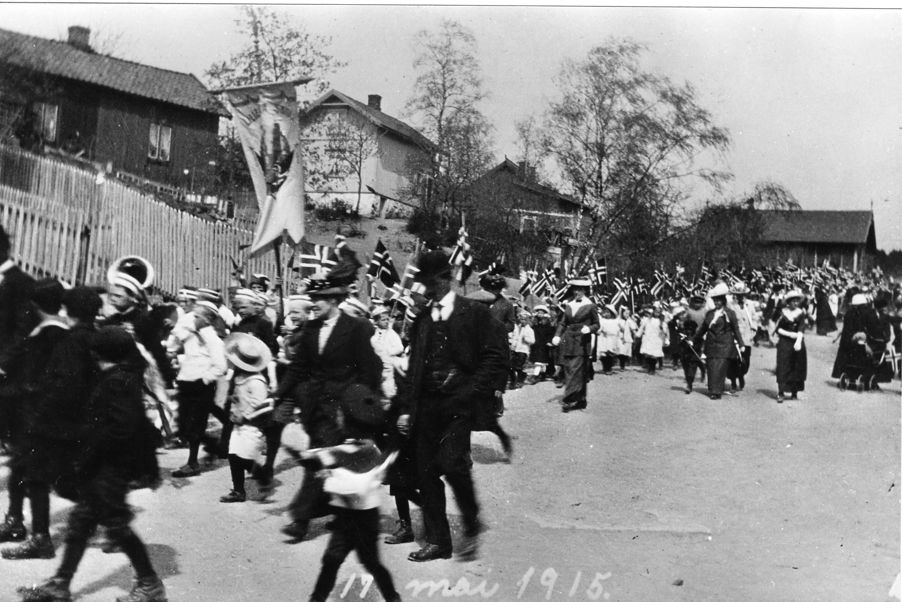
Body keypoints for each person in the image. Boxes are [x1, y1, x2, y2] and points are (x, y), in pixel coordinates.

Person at [15, 326, 166, 602]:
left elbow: (122, 428)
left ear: (98, 352)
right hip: (104, 466)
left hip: (110, 468)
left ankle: (150, 584)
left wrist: (88, 447)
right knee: (81, 523)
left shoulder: (116, 381)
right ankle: (60, 583)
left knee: (116, 524)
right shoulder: (121, 375)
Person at [395, 250, 507, 561]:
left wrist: (472, 387)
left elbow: (496, 355)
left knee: (454, 466)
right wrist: (406, 408)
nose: (425, 289)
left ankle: (470, 520)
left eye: (430, 283)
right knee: (426, 473)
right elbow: (413, 367)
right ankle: (438, 542)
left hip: (459, 406)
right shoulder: (422, 319)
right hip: (426, 407)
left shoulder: (473, 313)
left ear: (446, 279)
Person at [273, 256, 382, 542]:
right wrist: (279, 393)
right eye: (312, 300)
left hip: (342, 409)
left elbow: (371, 369)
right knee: (331, 461)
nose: (313, 305)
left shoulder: (355, 328)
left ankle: (300, 519)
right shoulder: (310, 329)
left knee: (320, 460)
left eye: (319, 300)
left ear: (334, 300)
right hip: (314, 407)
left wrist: (363, 407)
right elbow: (298, 367)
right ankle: (340, 514)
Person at [0, 280, 77, 560]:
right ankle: (15, 521)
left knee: (35, 474)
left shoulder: (49, 336)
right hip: (34, 417)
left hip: (38, 418)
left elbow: (37, 381)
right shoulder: (57, 332)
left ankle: (41, 537)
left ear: (34, 306)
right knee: (20, 469)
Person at [303, 388, 401, 602]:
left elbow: (353, 482)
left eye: (341, 414)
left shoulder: (349, 453)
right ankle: (317, 599)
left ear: (348, 423)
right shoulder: (372, 451)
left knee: (367, 562)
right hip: (357, 518)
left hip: (358, 519)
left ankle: (392, 598)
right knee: (334, 560)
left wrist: (326, 474)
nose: (337, 416)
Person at [168, 303, 227, 478]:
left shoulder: (213, 340)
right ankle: (213, 445)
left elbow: (220, 366)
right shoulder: (191, 336)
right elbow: (177, 335)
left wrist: (204, 379)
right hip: (186, 381)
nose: (192, 318)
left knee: (195, 424)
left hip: (201, 385)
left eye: (197, 316)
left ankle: (193, 463)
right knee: (183, 424)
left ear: (208, 319)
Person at [220, 334, 273, 503]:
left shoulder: (257, 381)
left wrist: (245, 415)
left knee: (246, 458)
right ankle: (238, 491)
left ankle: (263, 479)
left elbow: (264, 405)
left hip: (252, 425)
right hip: (238, 424)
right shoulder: (240, 377)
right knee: (234, 456)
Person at [551, 278, 599, 412]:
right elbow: (563, 322)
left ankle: (569, 399)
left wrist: (589, 329)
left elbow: (597, 324)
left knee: (575, 369)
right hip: (568, 340)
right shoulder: (569, 305)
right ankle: (581, 399)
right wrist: (557, 335)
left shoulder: (591, 305)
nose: (577, 292)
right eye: (575, 289)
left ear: (585, 291)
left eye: (580, 290)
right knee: (572, 369)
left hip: (582, 341)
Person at [693, 282, 744, 400]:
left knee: (720, 368)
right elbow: (703, 329)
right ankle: (712, 389)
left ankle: (717, 391)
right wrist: (694, 339)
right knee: (711, 367)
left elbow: (736, 330)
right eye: (715, 301)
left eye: (719, 300)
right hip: (711, 344)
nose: (717, 303)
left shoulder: (730, 313)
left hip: (725, 345)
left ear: (724, 301)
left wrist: (741, 344)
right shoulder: (710, 314)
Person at [774, 290, 808, 403]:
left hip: (796, 342)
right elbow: (778, 328)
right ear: (788, 302)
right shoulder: (783, 313)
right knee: (783, 365)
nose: (796, 303)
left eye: (797, 301)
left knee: (796, 366)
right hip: (784, 342)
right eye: (793, 301)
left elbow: (801, 328)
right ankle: (781, 392)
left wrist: (798, 340)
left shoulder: (800, 313)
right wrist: (788, 334)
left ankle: (794, 392)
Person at [727, 283, 755, 393]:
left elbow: (754, 318)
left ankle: (741, 375)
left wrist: (754, 330)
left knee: (745, 361)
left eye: (742, 294)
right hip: (735, 337)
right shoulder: (731, 305)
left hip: (747, 337)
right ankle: (733, 381)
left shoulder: (750, 304)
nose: (740, 297)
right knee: (733, 360)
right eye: (737, 294)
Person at [527, 305, 556, 383]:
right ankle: (540, 374)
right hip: (536, 344)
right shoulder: (535, 322)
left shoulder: (547, 323)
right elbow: (530, 328)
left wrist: (549, 341)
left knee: (539, 361)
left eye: (541, 312)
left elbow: (550, 333)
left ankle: (536, 375)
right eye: (538, 312)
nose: (540, 314)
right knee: (538, 360)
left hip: (544, 344)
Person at [637, 304, 668, 375]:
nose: (657, 313)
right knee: (648, 354)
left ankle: (652, 368)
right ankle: (649, 367)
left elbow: (665, 331)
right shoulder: (647, 320)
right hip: (648, 338)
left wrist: (663, 331)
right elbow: (642, 327)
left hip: (657, 339)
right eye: (656, 311)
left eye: (659, 312)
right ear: (653, 311)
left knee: (654, 355)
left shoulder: (662, 322)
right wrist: (638, 334)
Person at [509, 310, 535, 388]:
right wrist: (511, 342)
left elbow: (532, 341)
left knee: (518, 366)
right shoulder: (516, 327)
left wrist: (526, 339)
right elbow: (513, 336)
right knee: (511, 366)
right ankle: (513, 381)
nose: (522, 321)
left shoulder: (529, 330)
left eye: (524, 319)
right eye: (521, 319)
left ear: (527, 320)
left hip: (523, 350)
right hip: (515, 349)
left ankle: (520, 381)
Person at [596, 305, 621, 374]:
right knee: (604, 355)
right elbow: (599, 330)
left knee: (611, 354)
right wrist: (600, 331)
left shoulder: (615, 321)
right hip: (605, 339)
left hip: (613, 339)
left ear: (612, 314)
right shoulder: (603, 321)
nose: (606, 314)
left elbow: (618, 330)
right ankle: (605, 368)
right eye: (605, 312)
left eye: (608, 312)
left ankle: (609, 368)